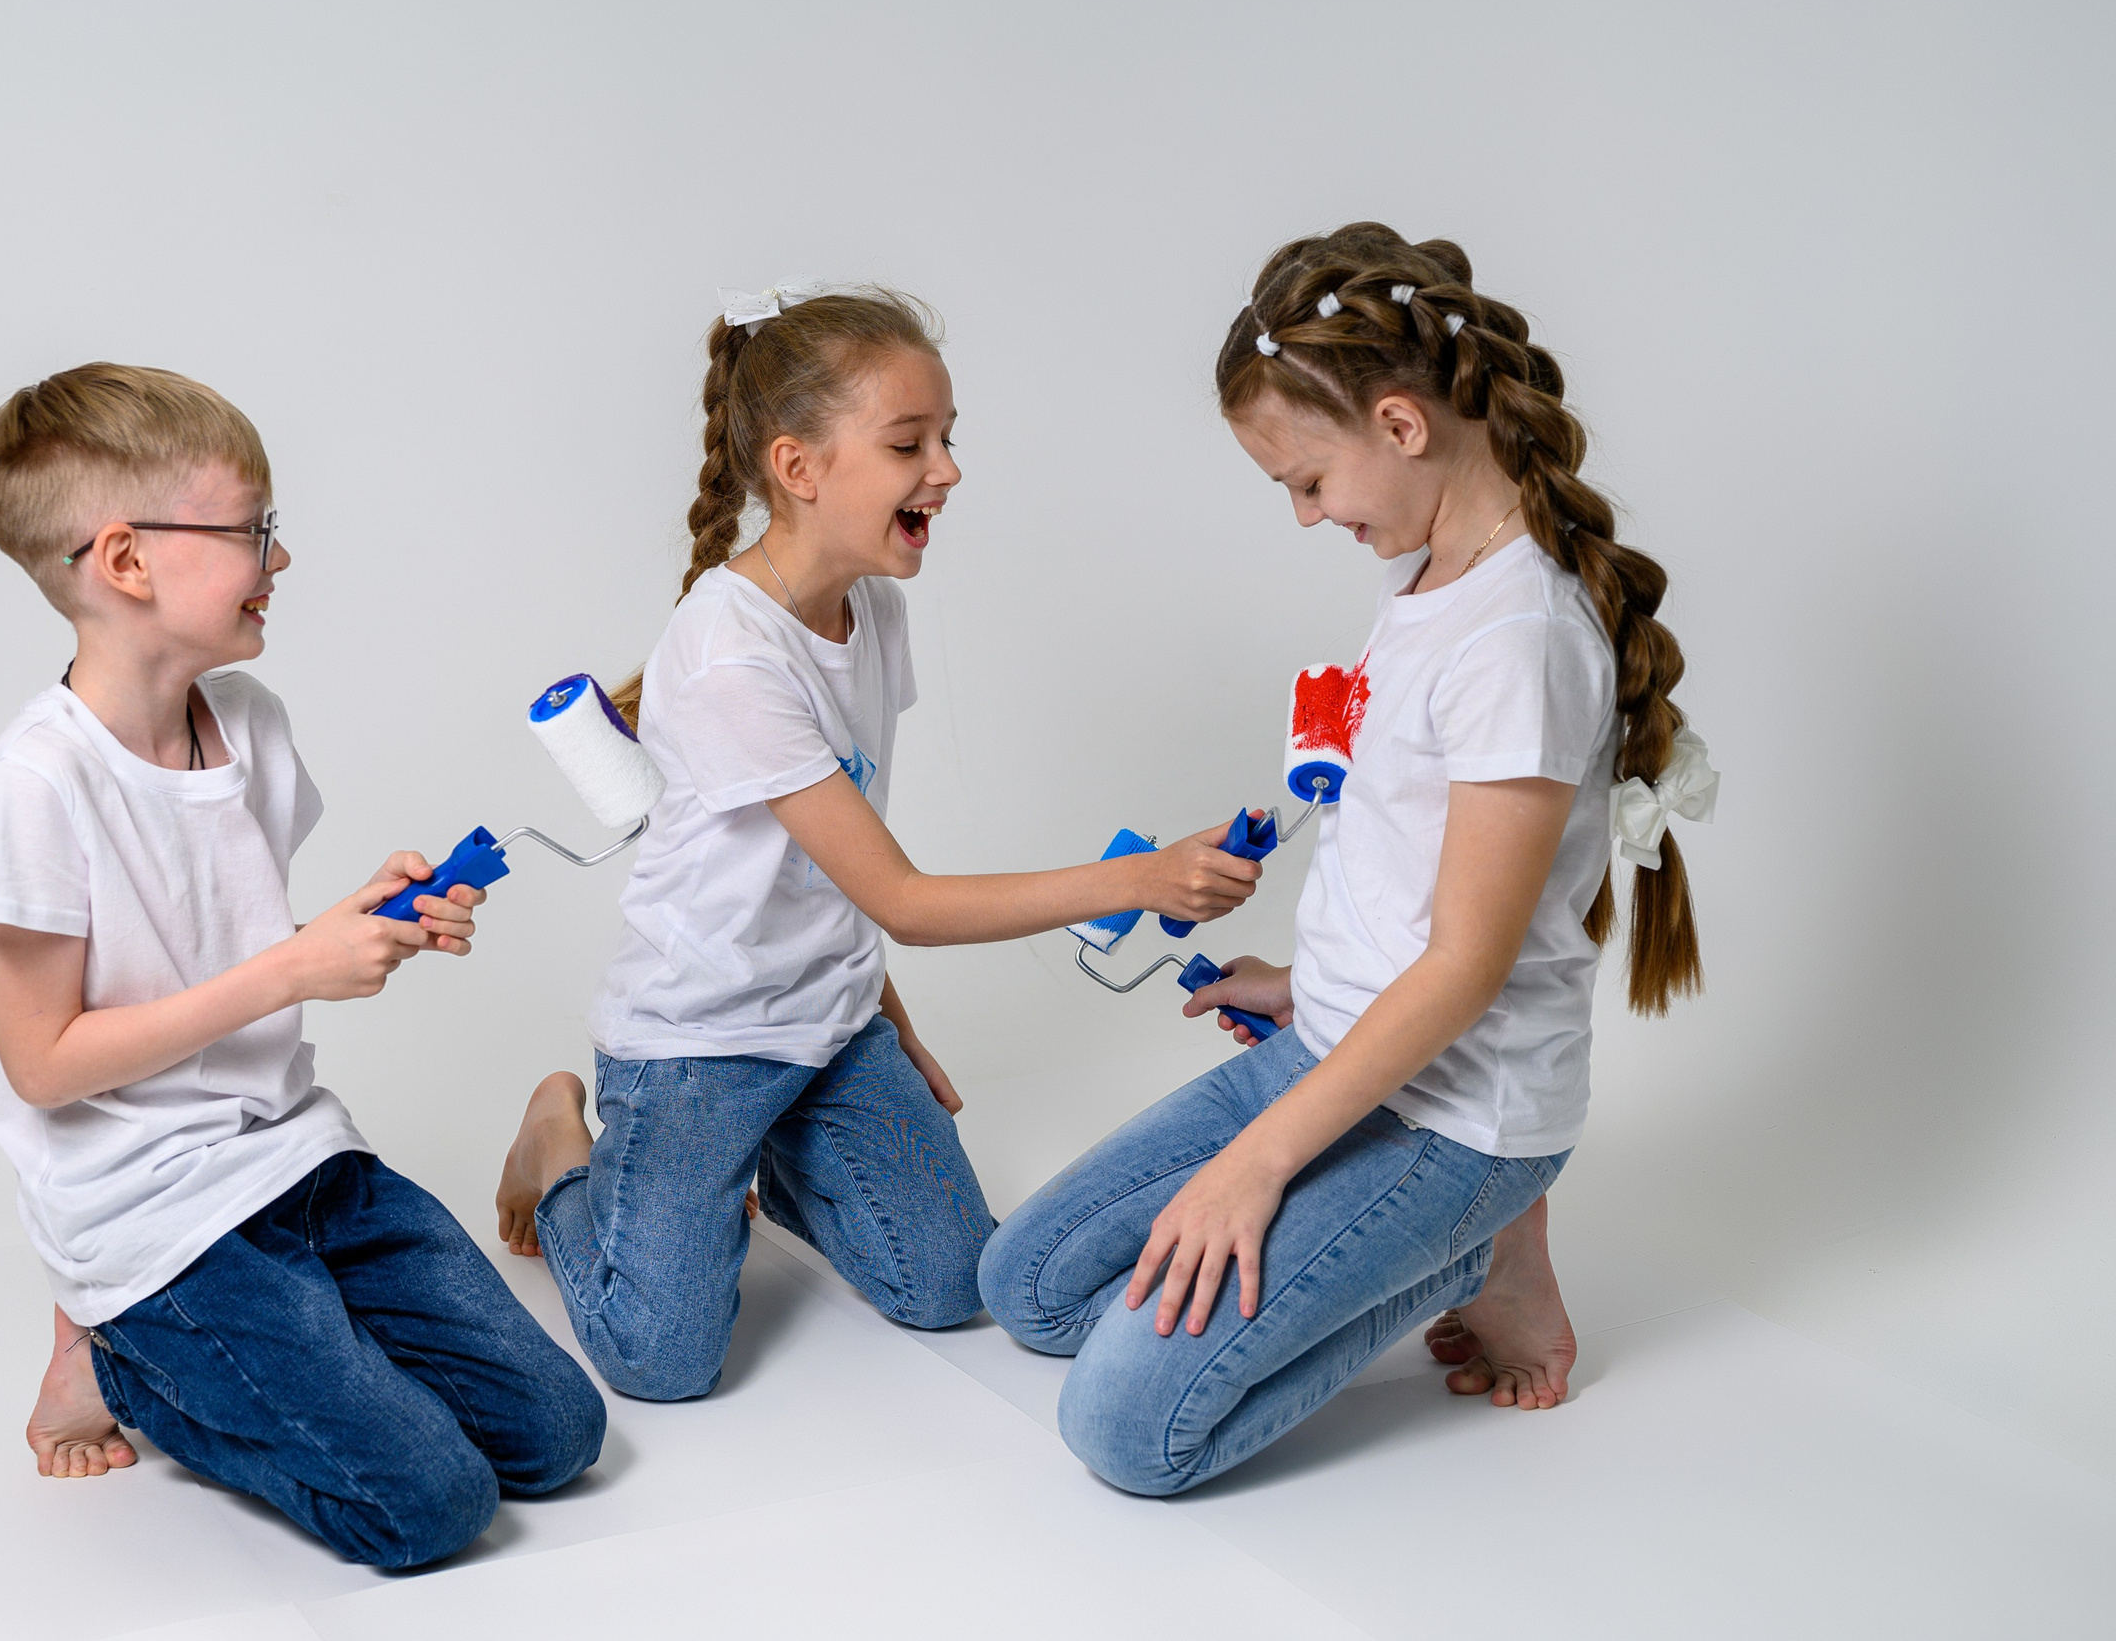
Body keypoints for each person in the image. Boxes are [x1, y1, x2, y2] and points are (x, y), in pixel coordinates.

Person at [978, 224, 1714, 1495]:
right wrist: (1309, 976)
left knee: (1126, 1429)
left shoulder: (1520, 637)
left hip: (1457, 1114)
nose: (1310, 515)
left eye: (1308, 482)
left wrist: (1252, 1167)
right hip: (1344, 1040)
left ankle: (1485, 1246)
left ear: (1400, 422)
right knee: (1026, 1286)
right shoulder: (1430, 571)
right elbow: (1405, 849)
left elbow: (1467, 966)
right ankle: (1449, 1235)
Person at [493, 285, 1264, 1401]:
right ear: (799, 467)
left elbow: (840, 861)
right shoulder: (728, 653)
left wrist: (880, 1020)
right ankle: (561, 1141)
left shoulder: (873, 608)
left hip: (830, 1027)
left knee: (952, 1281)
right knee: (658, 1360)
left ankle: (771, 1156)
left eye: (948, 438)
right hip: (697, 1045)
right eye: (910, 443)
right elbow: (900, 894)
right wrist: (1140, 876)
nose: (946, 469)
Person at [0, 363, 603, 1566]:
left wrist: (365, 920)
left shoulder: (247, 720)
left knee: (558, 1435)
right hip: (156, 1220)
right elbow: (42, 1064)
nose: (280, 558)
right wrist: (297, 971)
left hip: (295, 1156)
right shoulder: (34, 788)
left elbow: (229, 936)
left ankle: (297, 1340)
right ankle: (120, 1361)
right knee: (429, 1507)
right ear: (126, 561)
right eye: (253, 530)